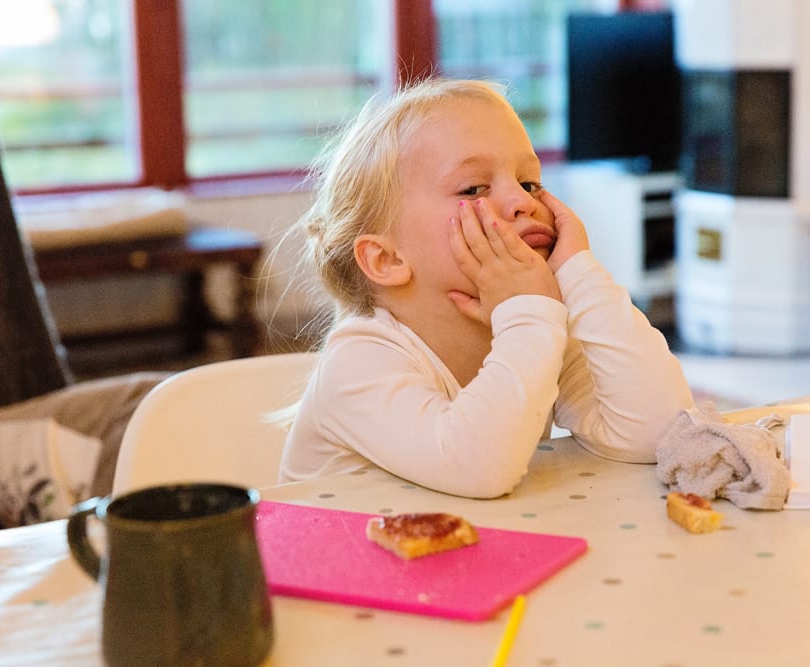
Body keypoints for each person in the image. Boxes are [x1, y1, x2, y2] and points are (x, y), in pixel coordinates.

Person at [278, 78, 693, 498]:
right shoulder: (357, 364)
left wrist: (578, 274)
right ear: (388, 260)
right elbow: (478, 469)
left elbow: (658, 432)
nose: (523, 201)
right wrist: (530, 317)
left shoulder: (534, 328)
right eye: (474, 188)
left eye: (529, 183)